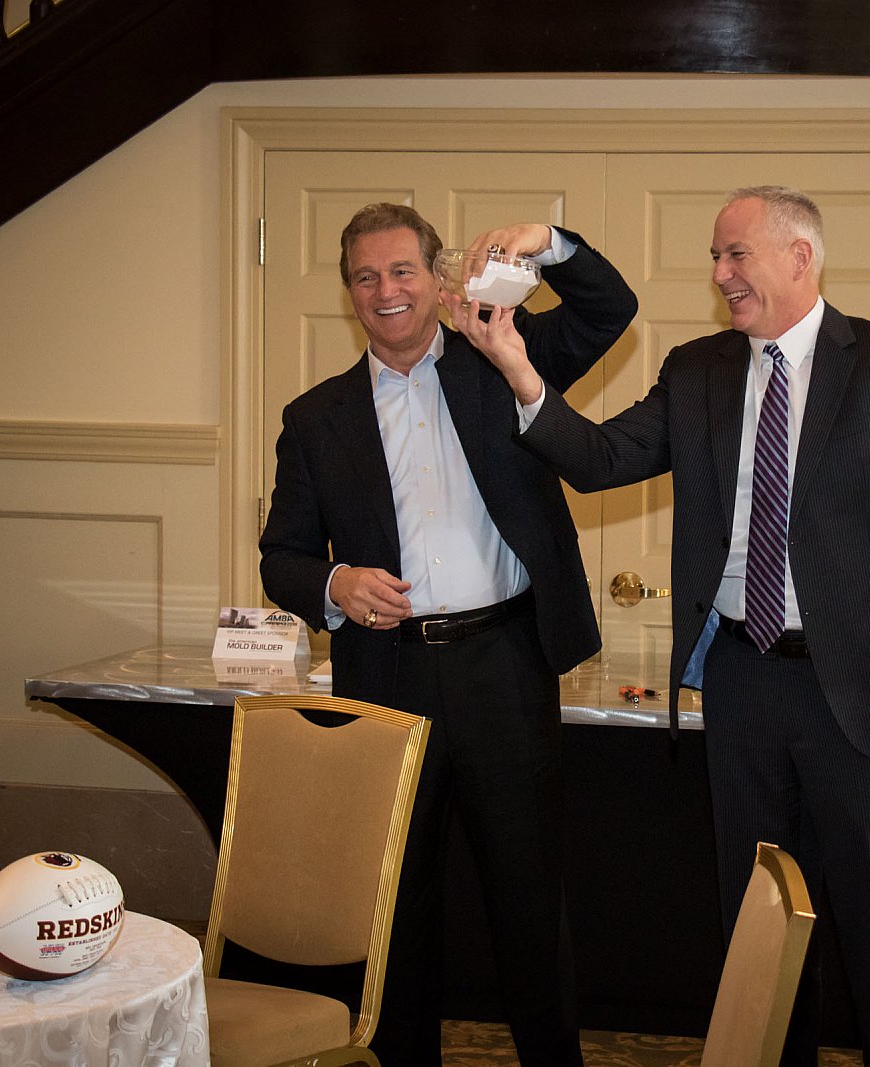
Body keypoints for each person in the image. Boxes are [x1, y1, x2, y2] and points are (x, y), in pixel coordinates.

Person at [460, 185, 870, 1066]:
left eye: (736, 253)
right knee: (761, 942)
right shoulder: (698, 369)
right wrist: (519, 369)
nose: (720, 274)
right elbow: (601, 459)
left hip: (864, 691)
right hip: (743, 687)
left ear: (800, 256)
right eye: (716, 256)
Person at [259, 203, 636, 1066]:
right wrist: (334, 584)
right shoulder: (316, 417)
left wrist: (550, 241)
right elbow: (281, 557)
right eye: (365, 277)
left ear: (438, 278)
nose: (385, 291)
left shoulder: (501, 354)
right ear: (349, 292)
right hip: (385, 680)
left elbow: (610, 309)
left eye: (402, 271)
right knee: (395, 908)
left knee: (529, 903)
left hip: (504, 667)